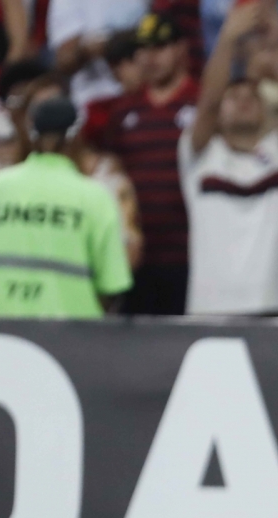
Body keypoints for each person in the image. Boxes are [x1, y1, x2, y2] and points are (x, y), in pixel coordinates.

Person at [179, 1, 278, 316]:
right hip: (212, 307)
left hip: (273, 302)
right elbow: (207, 103)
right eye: (233, 97)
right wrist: (227, 39)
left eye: (252, 97)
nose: (243, 101)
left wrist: (275, 51)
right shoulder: (199, 156)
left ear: (265, 110)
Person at [99, 12, 199, 315]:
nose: (150, 57)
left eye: (160, 47)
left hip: (190, 253)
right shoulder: (123, 109)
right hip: (138, 255)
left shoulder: (202, 101)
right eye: (142, 49)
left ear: (182, 49)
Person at [0, 96, 131, 317]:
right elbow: (112, 285)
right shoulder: (95, 197)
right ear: (77, 137)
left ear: (31, 136)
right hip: (71, 337)